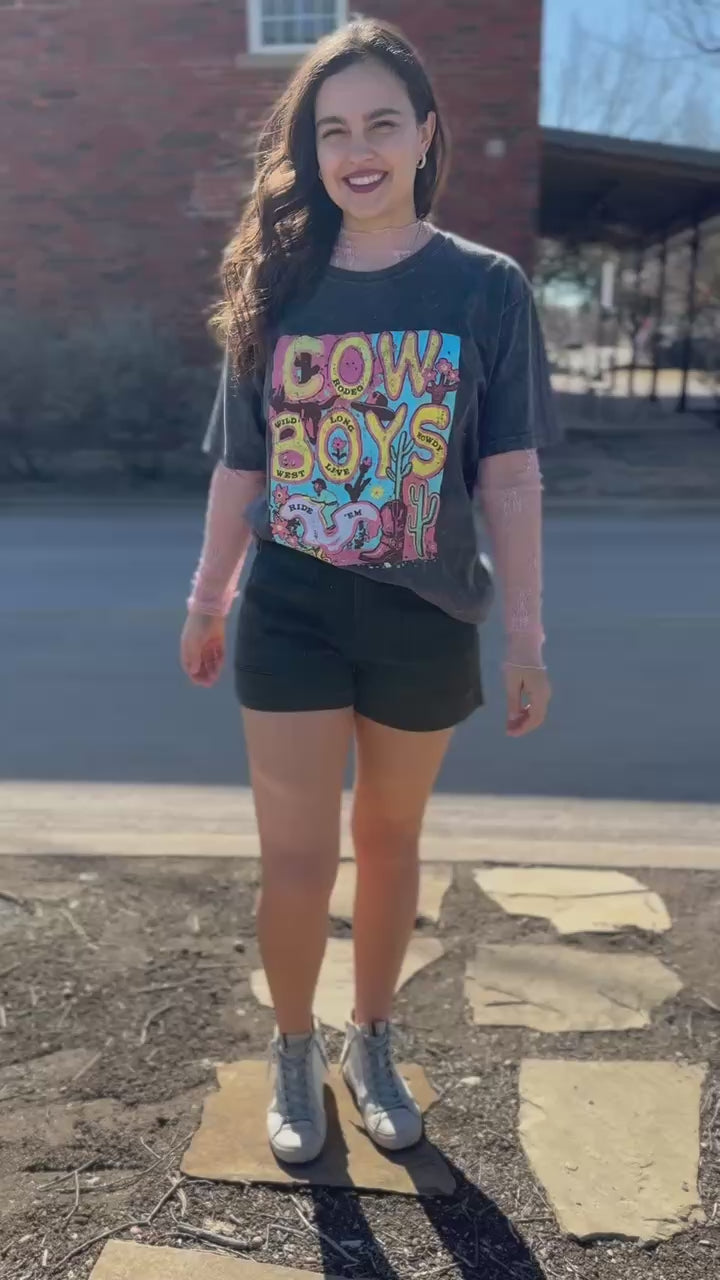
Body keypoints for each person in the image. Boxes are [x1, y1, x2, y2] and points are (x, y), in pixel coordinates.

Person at [180, 19, 557, 1166]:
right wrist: (209, 594)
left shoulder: (485, 288)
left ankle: (371, 1037)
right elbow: (242, 463)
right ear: (312, 150)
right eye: (334, 128)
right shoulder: (275, 285)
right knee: (295, 859)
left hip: (426, 615)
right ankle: (293, 1043)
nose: (359, 148)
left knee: (391, 841)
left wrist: (528, 635)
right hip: (290, 610)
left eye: (381, 123)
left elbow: (509, 471)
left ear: (424, 135)